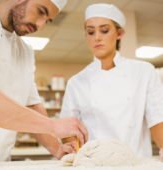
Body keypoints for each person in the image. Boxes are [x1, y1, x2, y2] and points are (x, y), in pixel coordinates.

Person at [0, 0, 88, 162]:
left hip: (0, 162)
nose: (41, 26)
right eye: (41, 11)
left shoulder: (25, 52)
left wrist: (56, 148)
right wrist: (53, 125)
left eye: (47, 20)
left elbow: (31, 105)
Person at [60, 4, 163, 161]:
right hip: (95, 163)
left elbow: (157, 118)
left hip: (136, 161)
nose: (97, 37)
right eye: (90, 32)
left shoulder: (144, 72)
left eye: (105, 30)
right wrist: (75, 154)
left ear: (119, 33)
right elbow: (68, 130)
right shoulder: (76, 82)